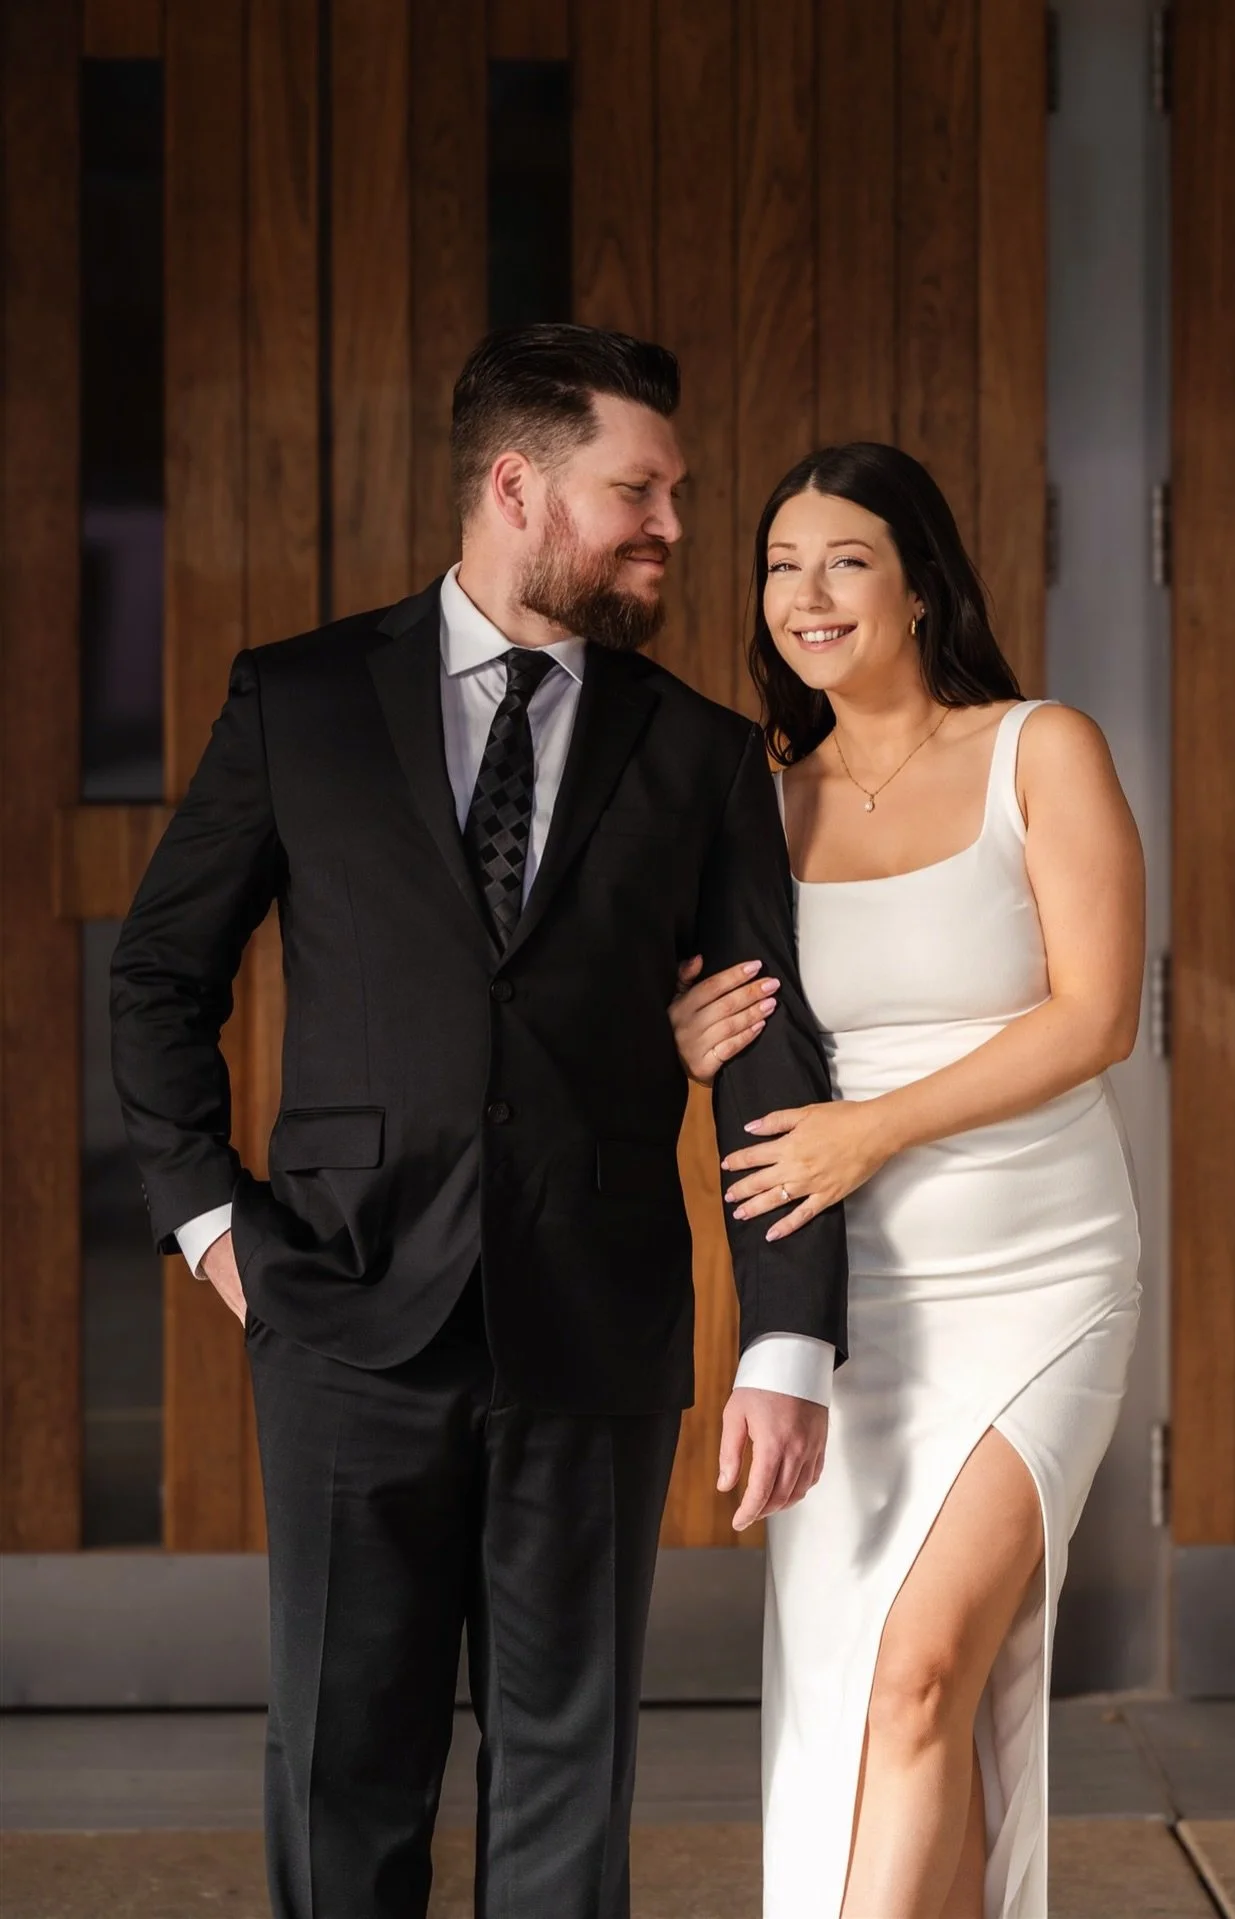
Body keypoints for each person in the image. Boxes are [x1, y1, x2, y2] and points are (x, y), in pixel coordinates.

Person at [110, 324, 847, 1919]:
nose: (672, 525)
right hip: (340, 1306)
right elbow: (161, 973)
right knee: (344, 1763)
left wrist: (789, 1335)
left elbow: (768, 1051)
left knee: (570, 1782)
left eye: (674, 493)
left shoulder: (704, 753)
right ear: (518, 488)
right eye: (637, 491)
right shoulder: (301, 701)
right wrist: (212, 1220)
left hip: (594, 1319)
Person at [667, 442, 1144, 1919]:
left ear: (922, 583)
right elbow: (734, 1023)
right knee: (907, 1697)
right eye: (779, 565)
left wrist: (876, 1130)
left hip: (1042, 1278)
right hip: (855, 1301)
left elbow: (1097, 1016)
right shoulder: (760, 802)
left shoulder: (1039, 748)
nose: (806, 594)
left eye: (846, 560)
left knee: (922, 1664)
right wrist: (679, 1037)